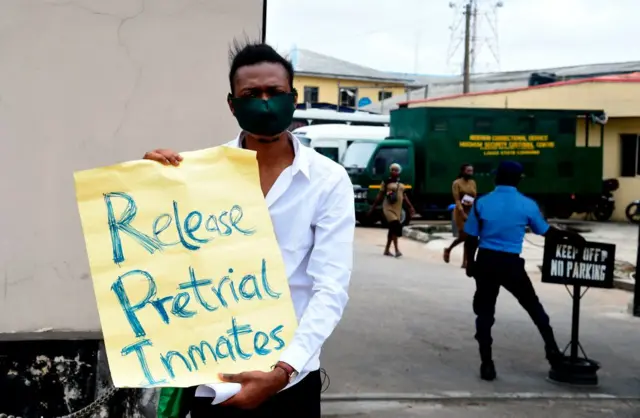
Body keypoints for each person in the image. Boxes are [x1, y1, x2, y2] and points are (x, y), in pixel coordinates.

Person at [144, 41, 354, 418]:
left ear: (293, 97)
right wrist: (147, 185)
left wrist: (282, 371)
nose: (264, 102)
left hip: (289, 380)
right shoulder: (196, 174)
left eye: (274, 92)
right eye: (251, 94)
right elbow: (165, 259)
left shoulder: (328, 180)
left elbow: (330, 289)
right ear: (232, 104)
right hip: (211, 377)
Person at [463, 161, 586, 381]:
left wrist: (470, 264)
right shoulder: (528, 204)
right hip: (511, 264)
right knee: (533, 307)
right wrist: (571, 236)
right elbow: (547, 232)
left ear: (496, 178)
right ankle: (553, 353)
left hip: (487, 261)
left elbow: (471, 237)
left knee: (484, 313)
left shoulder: (482, 202)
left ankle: (487, 364)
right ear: (519, 180)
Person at [368, 163, 415, 257]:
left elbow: (404, 196)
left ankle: (386, 250)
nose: (394, 171)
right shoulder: (386, 182)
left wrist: (410, 207)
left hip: (397, 209)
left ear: (399, 172)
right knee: (395, 225)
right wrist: (372, 208)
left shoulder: (401, 183)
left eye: (396, 170)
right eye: (392, 170)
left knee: (392, 229)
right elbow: (380, 195)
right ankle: (397, 250)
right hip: (388, 208)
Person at [443, 164, 476, 268]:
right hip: (459, 212)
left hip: (470, 211)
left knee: (469, 237)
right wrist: (462, 212)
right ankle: (448, 249)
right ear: (463, 171)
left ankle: (464, 262)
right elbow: (456, 199)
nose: (470, 173)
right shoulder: (456, 183)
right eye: (468, 171)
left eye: (471, 171)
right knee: (464, 236)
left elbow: (474, 196)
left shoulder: (473, 182)